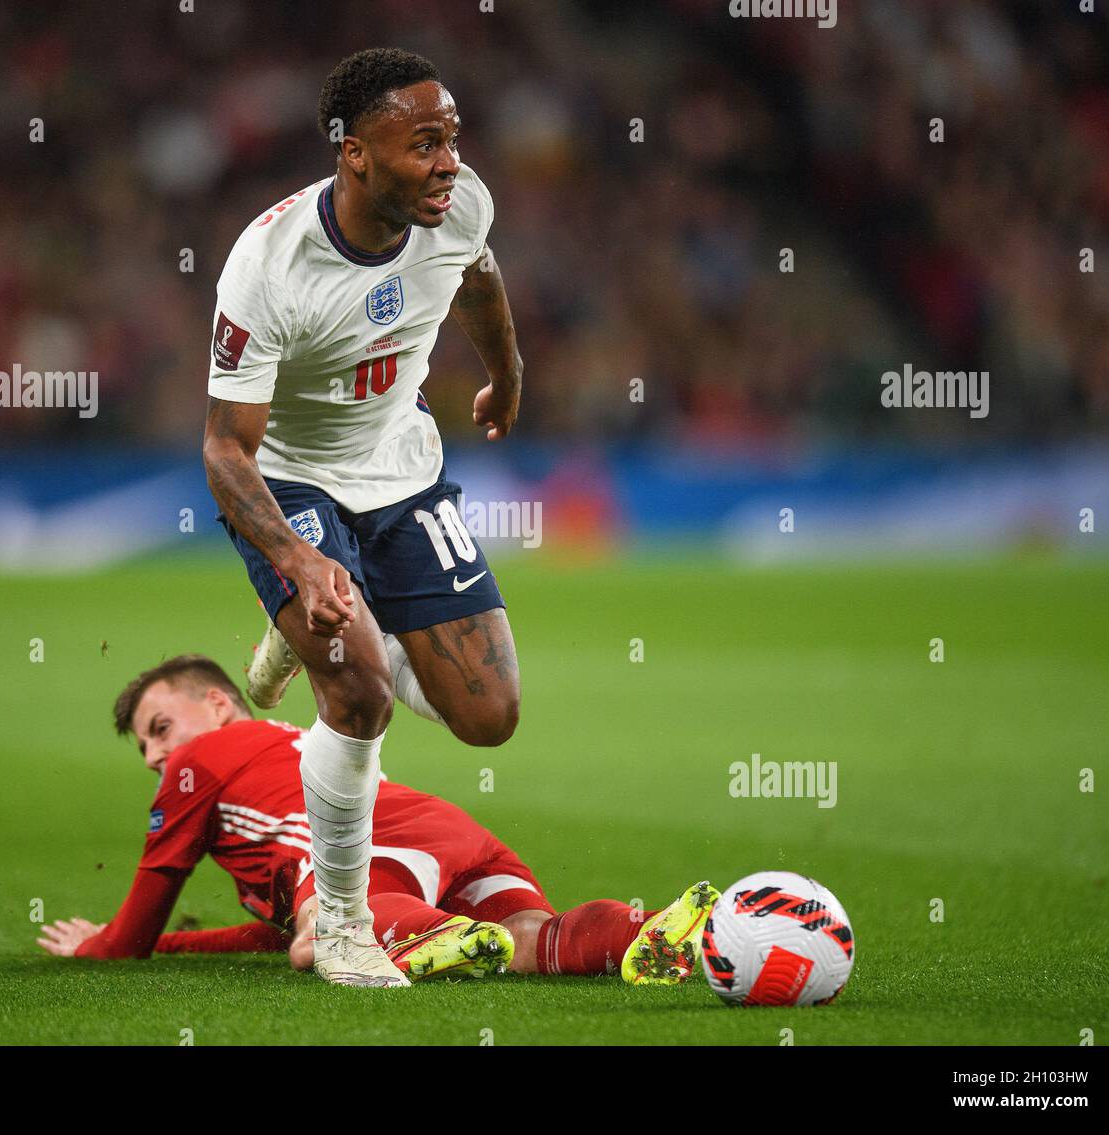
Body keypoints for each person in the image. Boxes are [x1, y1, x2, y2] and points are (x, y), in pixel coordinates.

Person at [201, 47, 526, 987]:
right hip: (293, 480)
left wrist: (506, 374)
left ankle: (298, 635)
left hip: (402, 469)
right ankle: (343, 926)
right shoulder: (267, 267)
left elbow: (476, 276)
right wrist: (300, 560)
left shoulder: (459, 205)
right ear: (355, 155)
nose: (447, 162)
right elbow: (226, 449)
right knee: (359, 694)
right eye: (423, 143)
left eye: (453, 138)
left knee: (491, 717)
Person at [38, 656, 719, 986]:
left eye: (160, 728)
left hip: (370, 846)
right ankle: (648, 929)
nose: (157, 755)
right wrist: (181, 946)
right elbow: (268, 932)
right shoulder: (272, 760)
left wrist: (98, 945)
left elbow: (137, 922)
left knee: (321, 937)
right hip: (442, 834)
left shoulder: (205, 762)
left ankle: (449, 935)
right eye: (145, 748)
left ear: (219, 705)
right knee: (534, 938)